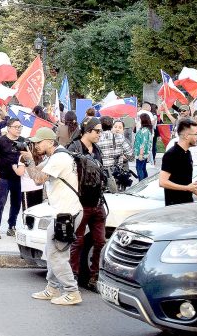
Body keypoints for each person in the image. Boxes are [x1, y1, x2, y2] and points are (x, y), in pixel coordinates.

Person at [24, 127, 83, 306]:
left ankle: (72, 292)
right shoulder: (54, 157)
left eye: (39, 142)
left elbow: (39, 179)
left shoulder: (60, 158)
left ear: (50, 142)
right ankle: (52, 288)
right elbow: (35, 177)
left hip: (67, 214)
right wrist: (29, 161)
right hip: (61, 213)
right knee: (51, 251)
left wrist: (29, 162)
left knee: (57, 255)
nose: (36, 145)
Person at [66, 117, 105, 291]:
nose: (100, 134)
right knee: (77, 242)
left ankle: (94, 277)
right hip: (80, 203)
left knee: (100, 242)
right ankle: (71, 277)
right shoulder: (73, 148)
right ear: (87, 130)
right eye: (97, 131)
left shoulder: (97, 150)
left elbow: (102, 173)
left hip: (97, 203)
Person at [0, 118, 29, 239]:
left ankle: (12, 226)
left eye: (20, 127)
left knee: (16, 203)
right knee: (1, 202)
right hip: (3, 176)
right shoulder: (0, 141)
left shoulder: (23, 141)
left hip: (18, 178)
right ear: (9, 128)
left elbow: (28, 158)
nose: (18, 129)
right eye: (16, 127)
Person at [159, 118, 197, 206]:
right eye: (196, 134)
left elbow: (184, 181)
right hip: (175, 207)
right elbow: (162, 182)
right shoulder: (171, 154)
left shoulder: (187, 153)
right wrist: (186, 188)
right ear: (186, 136)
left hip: (187, 205)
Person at [134, 113, 153, 180]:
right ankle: (145, 182)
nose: (137, 120)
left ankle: (141, 183)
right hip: (144, 153)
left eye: (139, 118)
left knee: (139, 168)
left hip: (141, 153)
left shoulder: (144, 131)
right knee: (143, 168)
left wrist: (141, 154)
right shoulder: (147, 130)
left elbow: (143, 143)